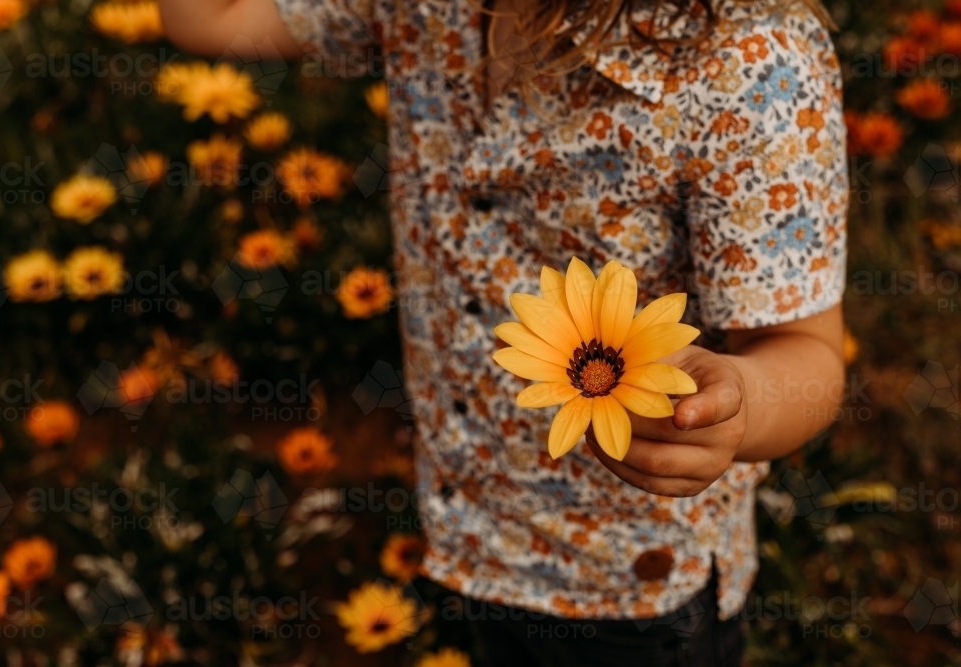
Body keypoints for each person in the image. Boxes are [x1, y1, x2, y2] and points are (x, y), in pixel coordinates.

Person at [158, 0, 848, 664]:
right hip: (475, 528)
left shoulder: (751, 59)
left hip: (632, 584)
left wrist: (739, 403)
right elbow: (214, 21)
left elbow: (808, 354)